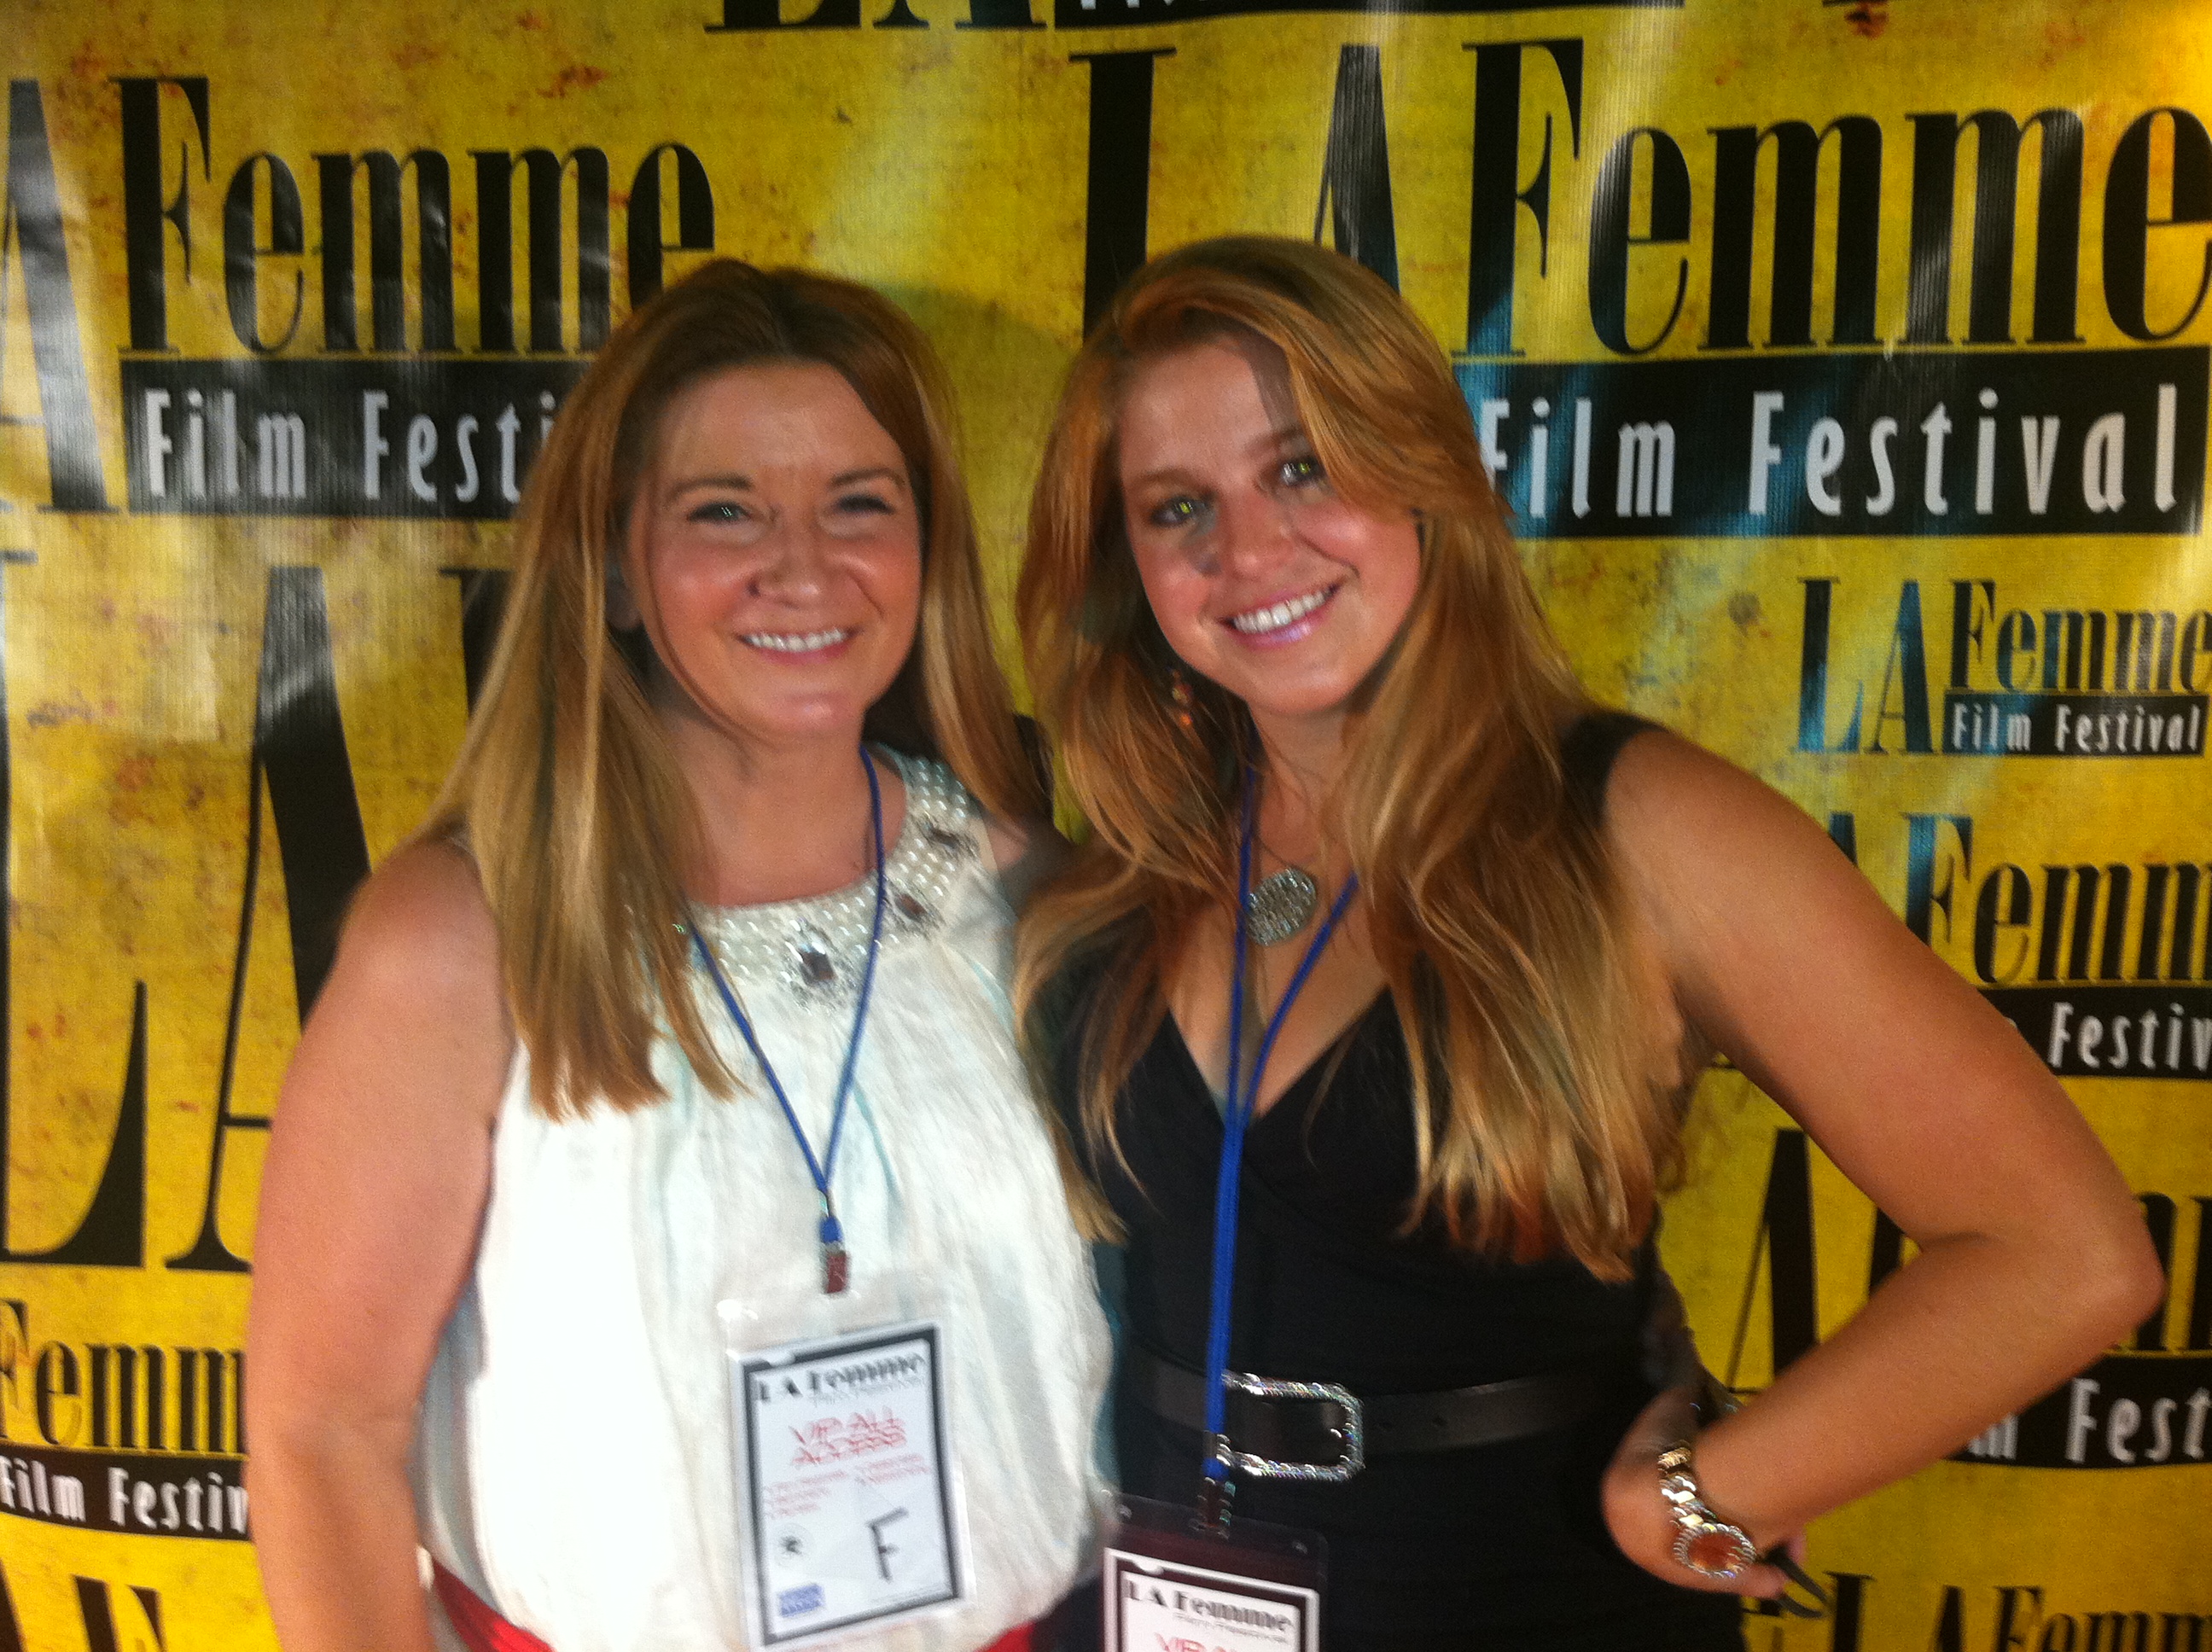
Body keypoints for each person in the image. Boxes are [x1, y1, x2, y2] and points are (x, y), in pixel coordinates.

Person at [1013, 236, 2160, 1651]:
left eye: (1303, 467)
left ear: (1426, 468)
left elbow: (2065, 1250)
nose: (1247, 550)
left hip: (1524, 1598)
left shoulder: (1637, 826)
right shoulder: (1141, 854)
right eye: (1176, 506)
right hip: (1167, 1600)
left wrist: (1693, 1498)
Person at [247, 259, 1110, 1652]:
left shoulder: (1037, 900)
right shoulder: (463, 942)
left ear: (926, 548)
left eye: (860, 505)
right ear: (618, 570)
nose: (805, 566)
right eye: (726, 512)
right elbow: (320, 1431)